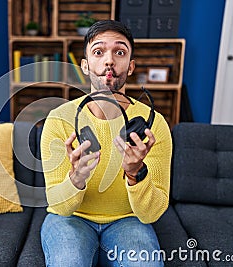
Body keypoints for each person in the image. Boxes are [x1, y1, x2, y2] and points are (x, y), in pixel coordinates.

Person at [40, 20, 172, 266]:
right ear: (86, 66)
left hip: (128, 220)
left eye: (119, 52)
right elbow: (58, 205)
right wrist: (76, 179)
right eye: (99, 52)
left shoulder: (154, 125)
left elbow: (152, 213)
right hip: (71, 219)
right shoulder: (60, 120)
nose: (109, 60)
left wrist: (136, 174)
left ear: (130, 66)